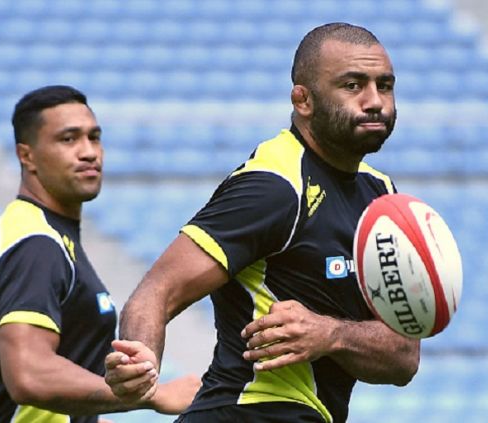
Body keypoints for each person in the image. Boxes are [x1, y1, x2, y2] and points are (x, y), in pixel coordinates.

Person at [104, 23, 420, 423]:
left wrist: (330, 334)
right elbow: (157, 290)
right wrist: (140, 359)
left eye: (385, 85)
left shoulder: (382, 196)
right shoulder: (274, 187)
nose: (375, 101)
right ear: (302, 100)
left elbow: (403, 357)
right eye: (353, 85)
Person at [0, 85, 200, 422]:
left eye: (94, 137)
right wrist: (150, 395)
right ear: (26, 155)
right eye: (68, 139)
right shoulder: (37, 244)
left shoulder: (23, 228)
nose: (88, 152)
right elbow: (29, 375)